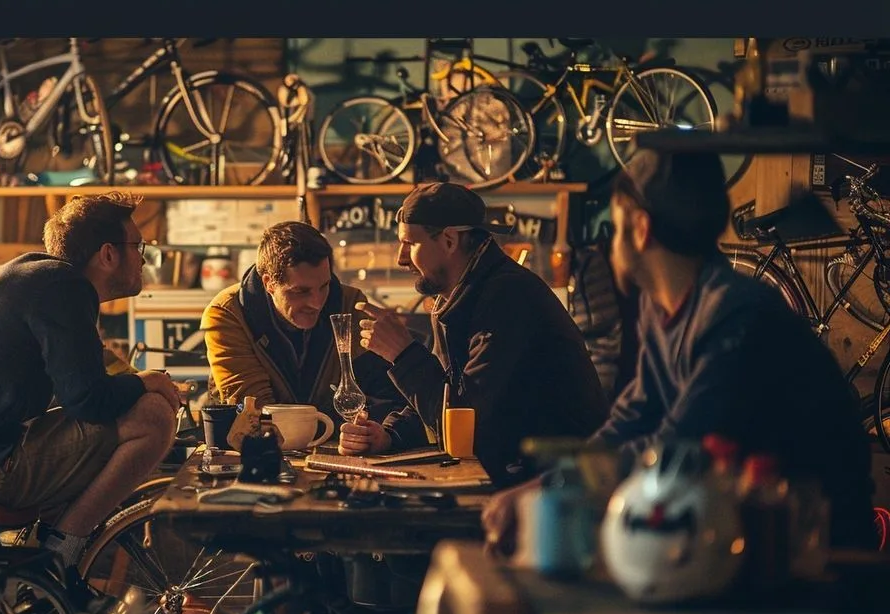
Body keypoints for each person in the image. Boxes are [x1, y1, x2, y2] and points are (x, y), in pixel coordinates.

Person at [482, 150, 876, 553]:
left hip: (819, 558)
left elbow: (678, 448)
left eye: (615, 228)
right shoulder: (665, 305)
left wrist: (548, 490)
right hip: (740, 537)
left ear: (640, 228)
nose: (611, 244)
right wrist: (549, 485)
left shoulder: (737, 318)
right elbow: (631, 421)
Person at [0, 192, 181, 586]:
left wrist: (131, 383)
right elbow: (89, 401)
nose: (143, 258)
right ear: (107, 254)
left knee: (130, 414)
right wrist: (149, 381)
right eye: (138, 247)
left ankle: (41, 560)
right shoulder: (65, 288)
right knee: (154, 417)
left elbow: (75, 387)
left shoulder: (41, 275)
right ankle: (60, 559)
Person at [338, 182, 610, 487]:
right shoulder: (460, 295)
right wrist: (388, 435)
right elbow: (444, 392)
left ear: (450, 240)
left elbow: (465, 420)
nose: (401, 259)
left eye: (409, 244)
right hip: (519, 472)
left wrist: (402, 355)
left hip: (558, 483)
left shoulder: (508, 297)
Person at [200, 220, 406, 425]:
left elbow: (381, 396)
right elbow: (255, 411)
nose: (316, 303)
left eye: (324, 286)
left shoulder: (350, 304)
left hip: (338, 446)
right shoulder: (228, 313)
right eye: (300, 291)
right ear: (269, 284)